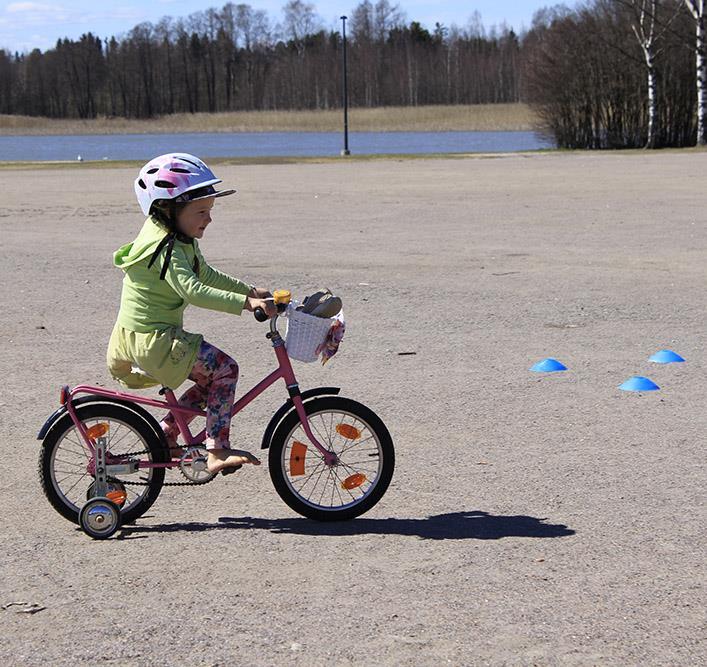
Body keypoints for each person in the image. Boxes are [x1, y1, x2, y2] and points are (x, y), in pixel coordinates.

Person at [106, 153, 276, 473]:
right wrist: (245, 304)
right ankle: (217, 450)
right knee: (225, 369)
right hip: (156, 340)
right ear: (169, 209)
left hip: (144, 337)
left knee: (209, 382)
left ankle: (167, 433)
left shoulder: (176, 239)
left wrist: (249, 291)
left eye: (210, 210)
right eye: (201, 211)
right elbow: (194, 290)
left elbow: (206, 274)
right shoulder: (167, 247)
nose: (208, 219)